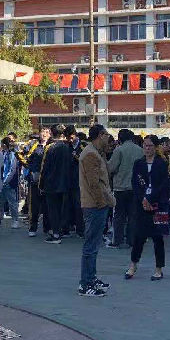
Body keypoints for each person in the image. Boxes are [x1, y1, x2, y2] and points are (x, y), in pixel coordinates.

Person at [125, 135, 170, 281]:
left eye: (150, 146)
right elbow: (135, 183)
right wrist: (143, 199)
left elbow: (163, 185)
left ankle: (159, 268)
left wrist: (150, 199)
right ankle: (133, 265)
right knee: (139, 236)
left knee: (158, 237)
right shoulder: (138, 163)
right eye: (145, 145)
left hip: (158, 205)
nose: (147, 148)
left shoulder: (161, 163)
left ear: (155, 147)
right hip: (141, 204)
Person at [78, 124, 115, 297]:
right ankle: (86, 284)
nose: (108, 138)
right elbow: (93, 183)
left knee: (93, 245)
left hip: (96, 204)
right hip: (94, 205)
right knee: (91, 246)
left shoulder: (96, 152)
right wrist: (102, 203)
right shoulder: (90, 154)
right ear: (100, 135)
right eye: (106, 135)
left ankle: (91, 278)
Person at [106, 128, 143, 249]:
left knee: (118, 215)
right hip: (135, 188)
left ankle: (117, 240)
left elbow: (111, 168)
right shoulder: (140, 150)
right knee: (133, 215)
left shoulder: (119, 150)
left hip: (120, 187)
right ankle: (131, 240)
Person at [41, 124, 73, 244]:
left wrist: (41, 184)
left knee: (53, 210)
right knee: (62, 209)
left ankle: (56, 234)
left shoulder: (50, 147)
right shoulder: (67, 147)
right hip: (65, 183)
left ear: (52, 133)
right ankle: (62, 231)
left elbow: (44, 167)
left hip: (51, 184)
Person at [22, 127, 50, 237]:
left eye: (47, 132)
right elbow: (20, 153)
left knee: (47, 205)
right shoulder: (33, 144)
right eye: (43, 132)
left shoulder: (51, 145)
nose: (44, 134)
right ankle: (32, 227)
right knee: (34, 205)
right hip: (35, 179)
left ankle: (47, 228)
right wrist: (29, 166)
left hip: (47, 180)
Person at [0, 137, 21, 229]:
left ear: (5, 145)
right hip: (2, 181)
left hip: (9, 182)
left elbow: (12, 170)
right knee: (0, 201)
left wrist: (5, 181)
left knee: (12, 202)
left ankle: (15, 220)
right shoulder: (3, 153)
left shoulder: (12, 155)